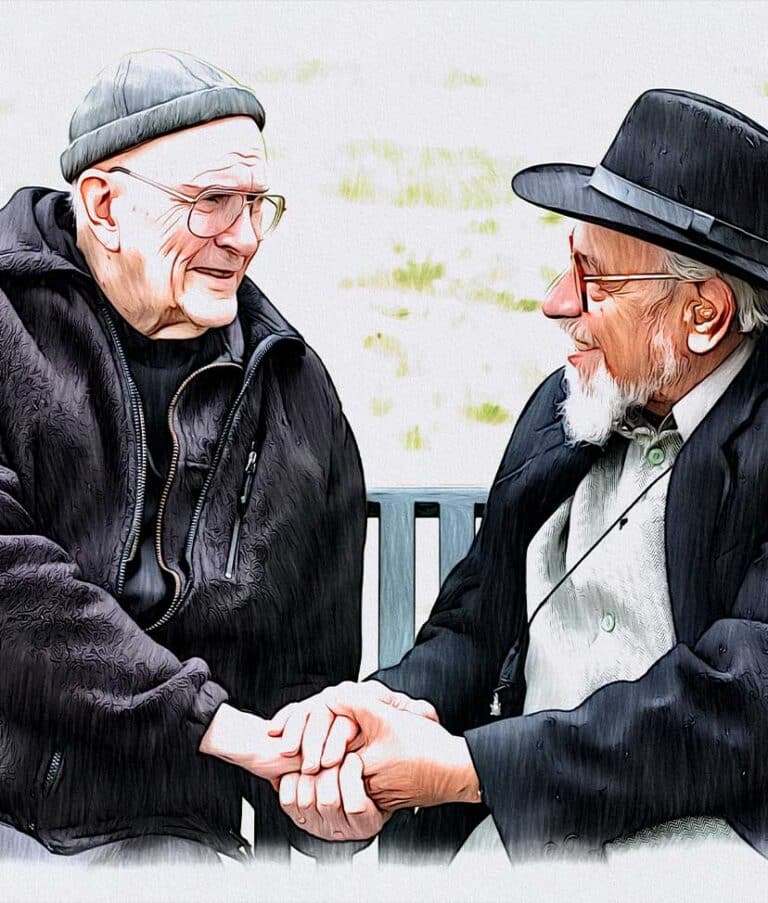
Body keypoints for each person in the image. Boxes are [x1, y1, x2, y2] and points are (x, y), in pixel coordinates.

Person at [268, 89, 768, 863]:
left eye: (593, 277)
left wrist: (473, 769)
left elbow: (737, 708)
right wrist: (384, 706)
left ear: (702, 315)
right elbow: (474, 622)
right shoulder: (569, 403)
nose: (554, 302)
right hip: (513, 843)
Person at [0, 49, 367, 864]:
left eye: (255, 203)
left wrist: (323, 801)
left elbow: (309, 666)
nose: (242, 239)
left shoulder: (296, 393)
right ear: (104, 205)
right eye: (210, 203)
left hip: (169, 833)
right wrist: (206, 720)